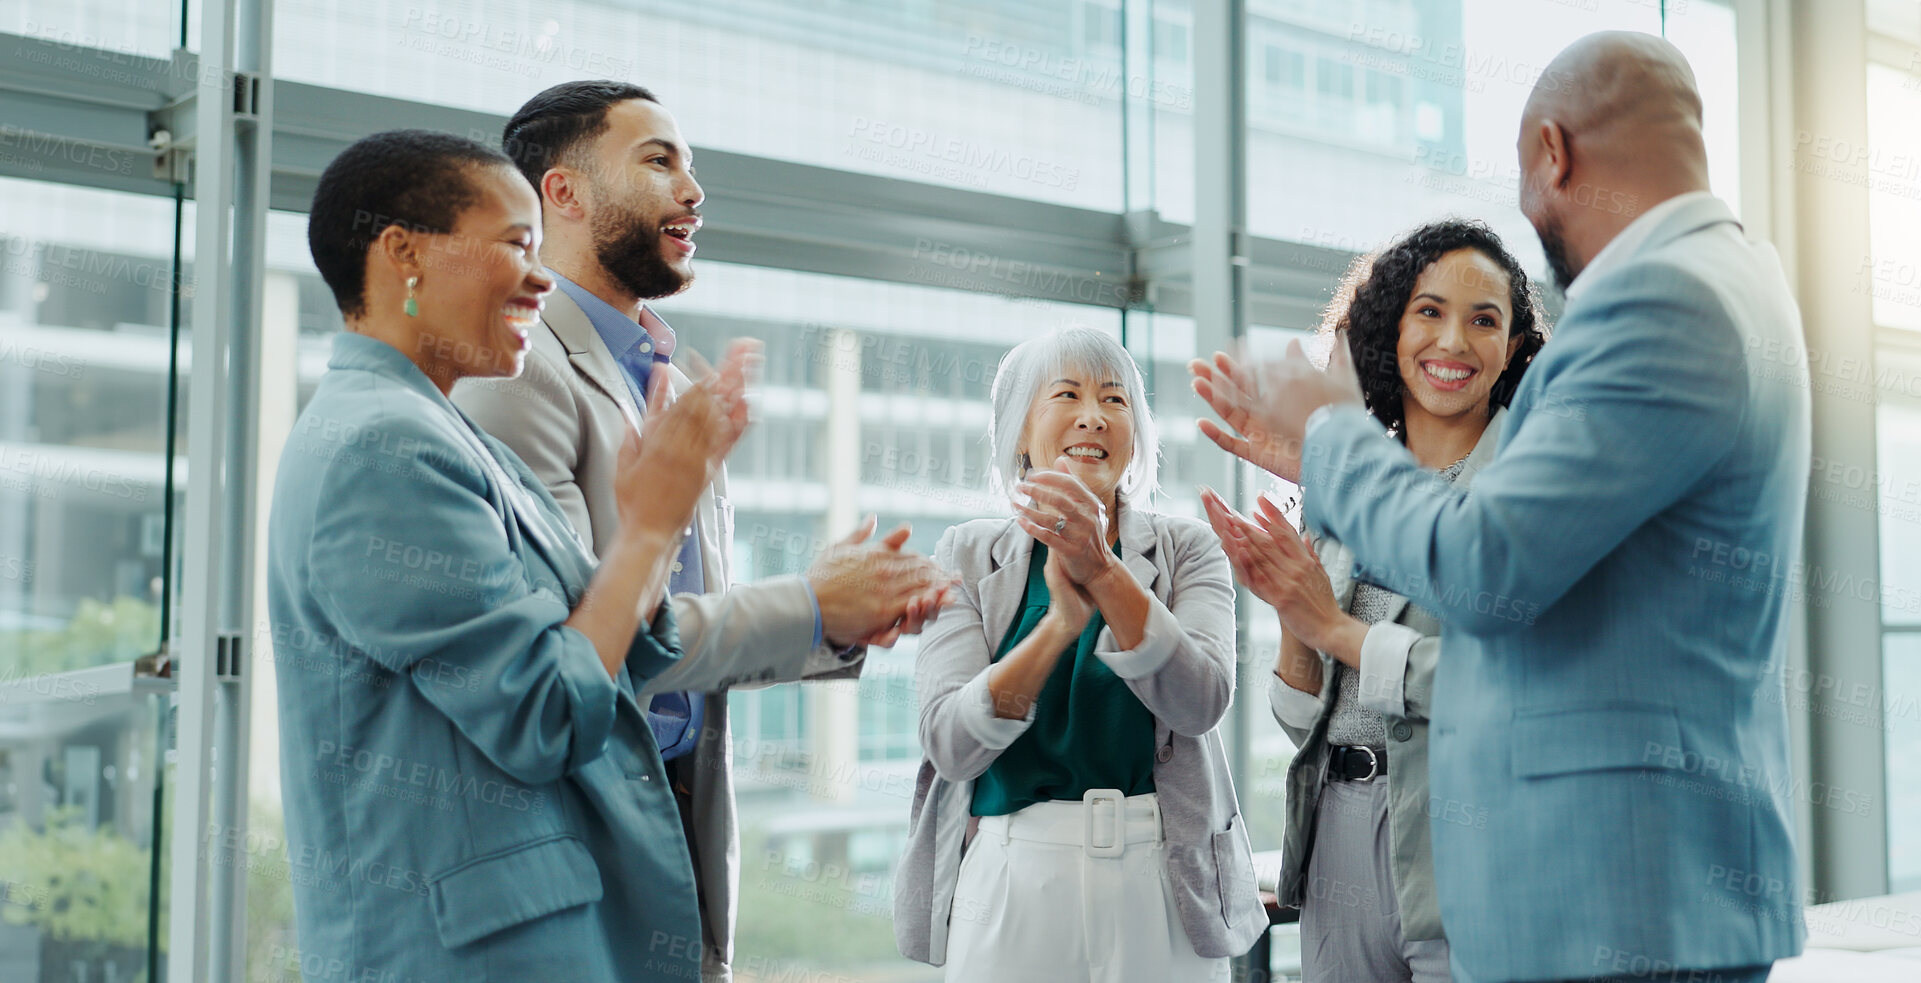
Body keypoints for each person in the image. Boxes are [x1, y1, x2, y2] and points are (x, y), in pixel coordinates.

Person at [1192, 32, 1809, 983]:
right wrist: (1327, 481)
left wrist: (1330, 433)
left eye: (1486, 315)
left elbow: (1486, 570)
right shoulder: (1734, 278)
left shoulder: (1660, 300)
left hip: (1615, 893)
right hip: (1613, 888)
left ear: (1551, 153)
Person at [269, 129, 807, 982]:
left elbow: (610, 637)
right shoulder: (383, 448)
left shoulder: (436, 430)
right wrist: (647, 528)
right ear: (401, 253)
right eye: (516, 245)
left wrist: (824, 607)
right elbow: (546, 711)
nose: (541, 276)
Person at [452, 81, 954, 982]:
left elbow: (683, 623)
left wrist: (831, 614)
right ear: (561, 193)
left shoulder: (674, 386)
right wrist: (811, 606)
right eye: (659, 161)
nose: (694, 190)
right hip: (573, 831)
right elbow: (589, 639)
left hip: (680, 816)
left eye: (691, 166)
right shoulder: (517, 373)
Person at [1201, 219, 1543, 983]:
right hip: (1340, 823)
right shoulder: (1346, 486)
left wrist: (1331, 624)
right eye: (1427, 311)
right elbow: (1302, 715)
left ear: (1515, 346)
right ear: (1389, 328)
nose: (1452, 340)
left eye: (1483, 319)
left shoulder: (1531, 488)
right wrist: (1297, 617)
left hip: (1471, 821)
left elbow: (1512, 685)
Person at [892, 327, 1266, 982]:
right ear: (1019, 431)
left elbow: (1200, 700)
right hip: (1012, 876)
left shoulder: (1187, 550)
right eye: (1067, 394)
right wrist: (1058, 626)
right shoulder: (968, 554)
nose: (1094, 415)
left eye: (1114, 400)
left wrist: (1103, 571)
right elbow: (950, 742)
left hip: (1161, 875)